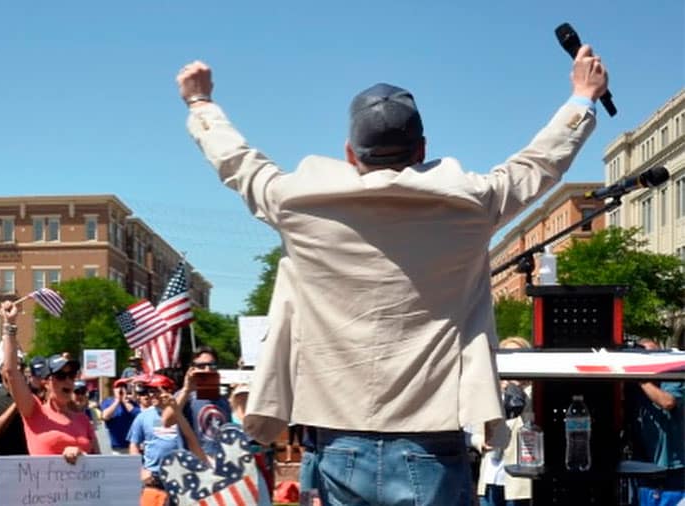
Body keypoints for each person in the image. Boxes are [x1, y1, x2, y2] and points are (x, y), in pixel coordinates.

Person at [176, 43, 608, 504]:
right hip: (432, 441)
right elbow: (540, 165)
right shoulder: (472, 203)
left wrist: (200, 102)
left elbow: (237, 162)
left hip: (335, 440)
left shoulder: (295, 202)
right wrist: (582, 96)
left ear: (349, 153)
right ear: (422, 150)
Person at [0, 301, 96, 462]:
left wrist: (81, 454)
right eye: (60, 376)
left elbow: (99, 461)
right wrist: (9, 325)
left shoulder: (82, 419)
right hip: (44, 486)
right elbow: (11, 372)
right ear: (46, 382)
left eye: (71, 375)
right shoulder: (34, 410)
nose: (67, 381)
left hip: (82, 486)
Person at [470, 337, 533, 506]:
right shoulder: (490, 394)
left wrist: (516, 388)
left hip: (517, 481)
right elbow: (475, 432)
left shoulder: (532, 394)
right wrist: (480, 443)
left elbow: (529, 423)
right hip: (490, 475)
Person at [634, 338, 684, 494]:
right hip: (643, 465)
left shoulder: (672, 378)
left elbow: (668, 402)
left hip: (673, 466)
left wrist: (641, 379)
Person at [173, 346, 232, 456]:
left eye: (212, 365)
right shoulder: (185, 395)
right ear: (192, 369)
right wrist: (186, 389)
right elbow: (169, 420)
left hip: (221, 462)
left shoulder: (223, 399)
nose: (207, 370)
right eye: (201, 366)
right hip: (195, 463)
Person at [100, 378, 140, 454]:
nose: (121, 389)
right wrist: (117, 401)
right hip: (114, 447)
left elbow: (138, 415)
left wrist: (125, 401)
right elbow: (105, 416)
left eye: (123, 387)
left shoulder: (131, 403)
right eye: (118, 387)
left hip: (130, 446)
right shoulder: (108, 402)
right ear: (114, 390)